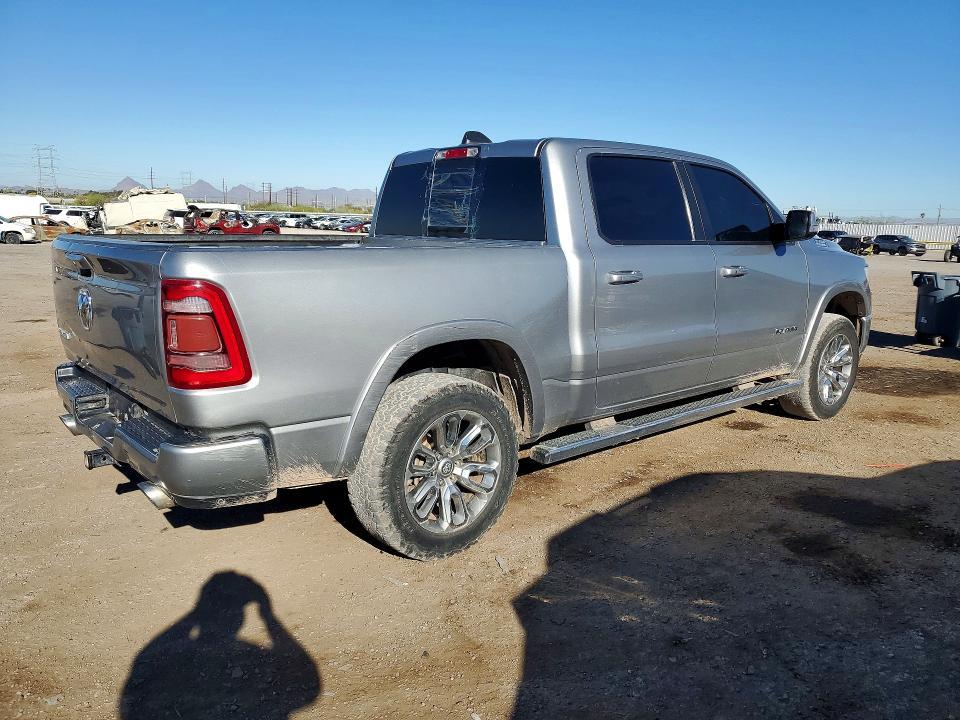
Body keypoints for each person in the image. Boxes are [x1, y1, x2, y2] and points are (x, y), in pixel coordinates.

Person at [120, 571, 320, 720]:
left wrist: (196, 614)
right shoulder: (253, 654)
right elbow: (309, 685)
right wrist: (268, 617)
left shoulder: (157, 665)